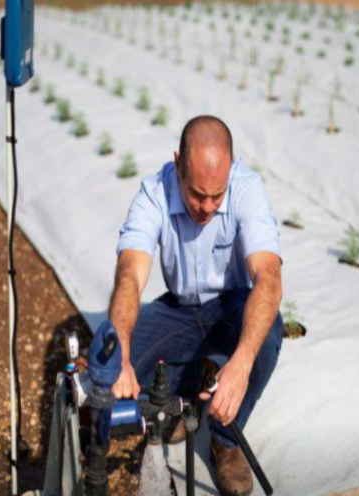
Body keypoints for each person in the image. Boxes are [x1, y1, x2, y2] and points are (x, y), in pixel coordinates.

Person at [108, 115, 283, 496]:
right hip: (180, 312)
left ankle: (224, 437)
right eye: (196, 194)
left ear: (232, 170)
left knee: (267, 332)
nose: (206, 207)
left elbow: (268, 278)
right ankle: (178, 398)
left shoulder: (248, 188)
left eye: (216, 196)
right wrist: (121, 352)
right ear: (177, 165)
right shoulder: (154, 191)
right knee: (111, 377)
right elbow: (130, 275)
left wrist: (241, 364)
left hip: (229, 309)